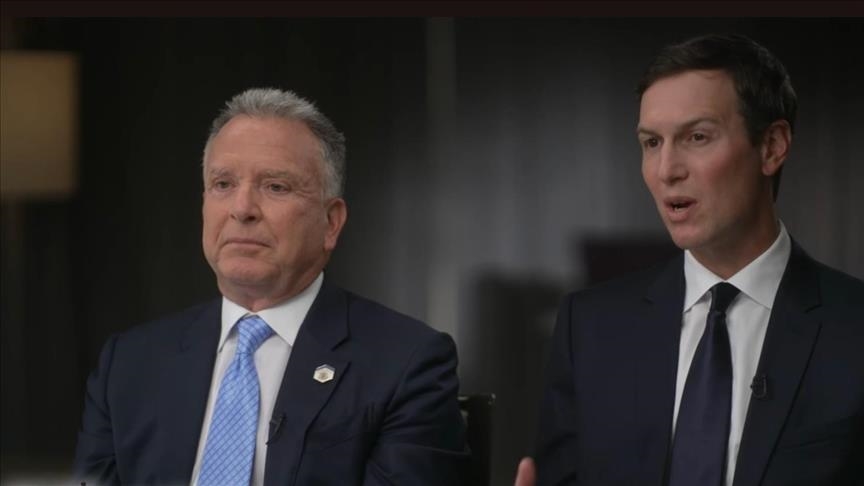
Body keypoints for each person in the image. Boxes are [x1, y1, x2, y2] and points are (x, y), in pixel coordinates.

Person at [516, 34, 864, 485]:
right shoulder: (588, 328)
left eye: (697, 137)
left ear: (772, 146)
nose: (666, 170)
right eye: (651, 143)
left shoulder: (852, 327)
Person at [74, 88, 469, 485]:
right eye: (223, 184)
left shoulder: (405, 364)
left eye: (275, 186)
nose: (242, 208)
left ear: (331, 223)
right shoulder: (129, 364)